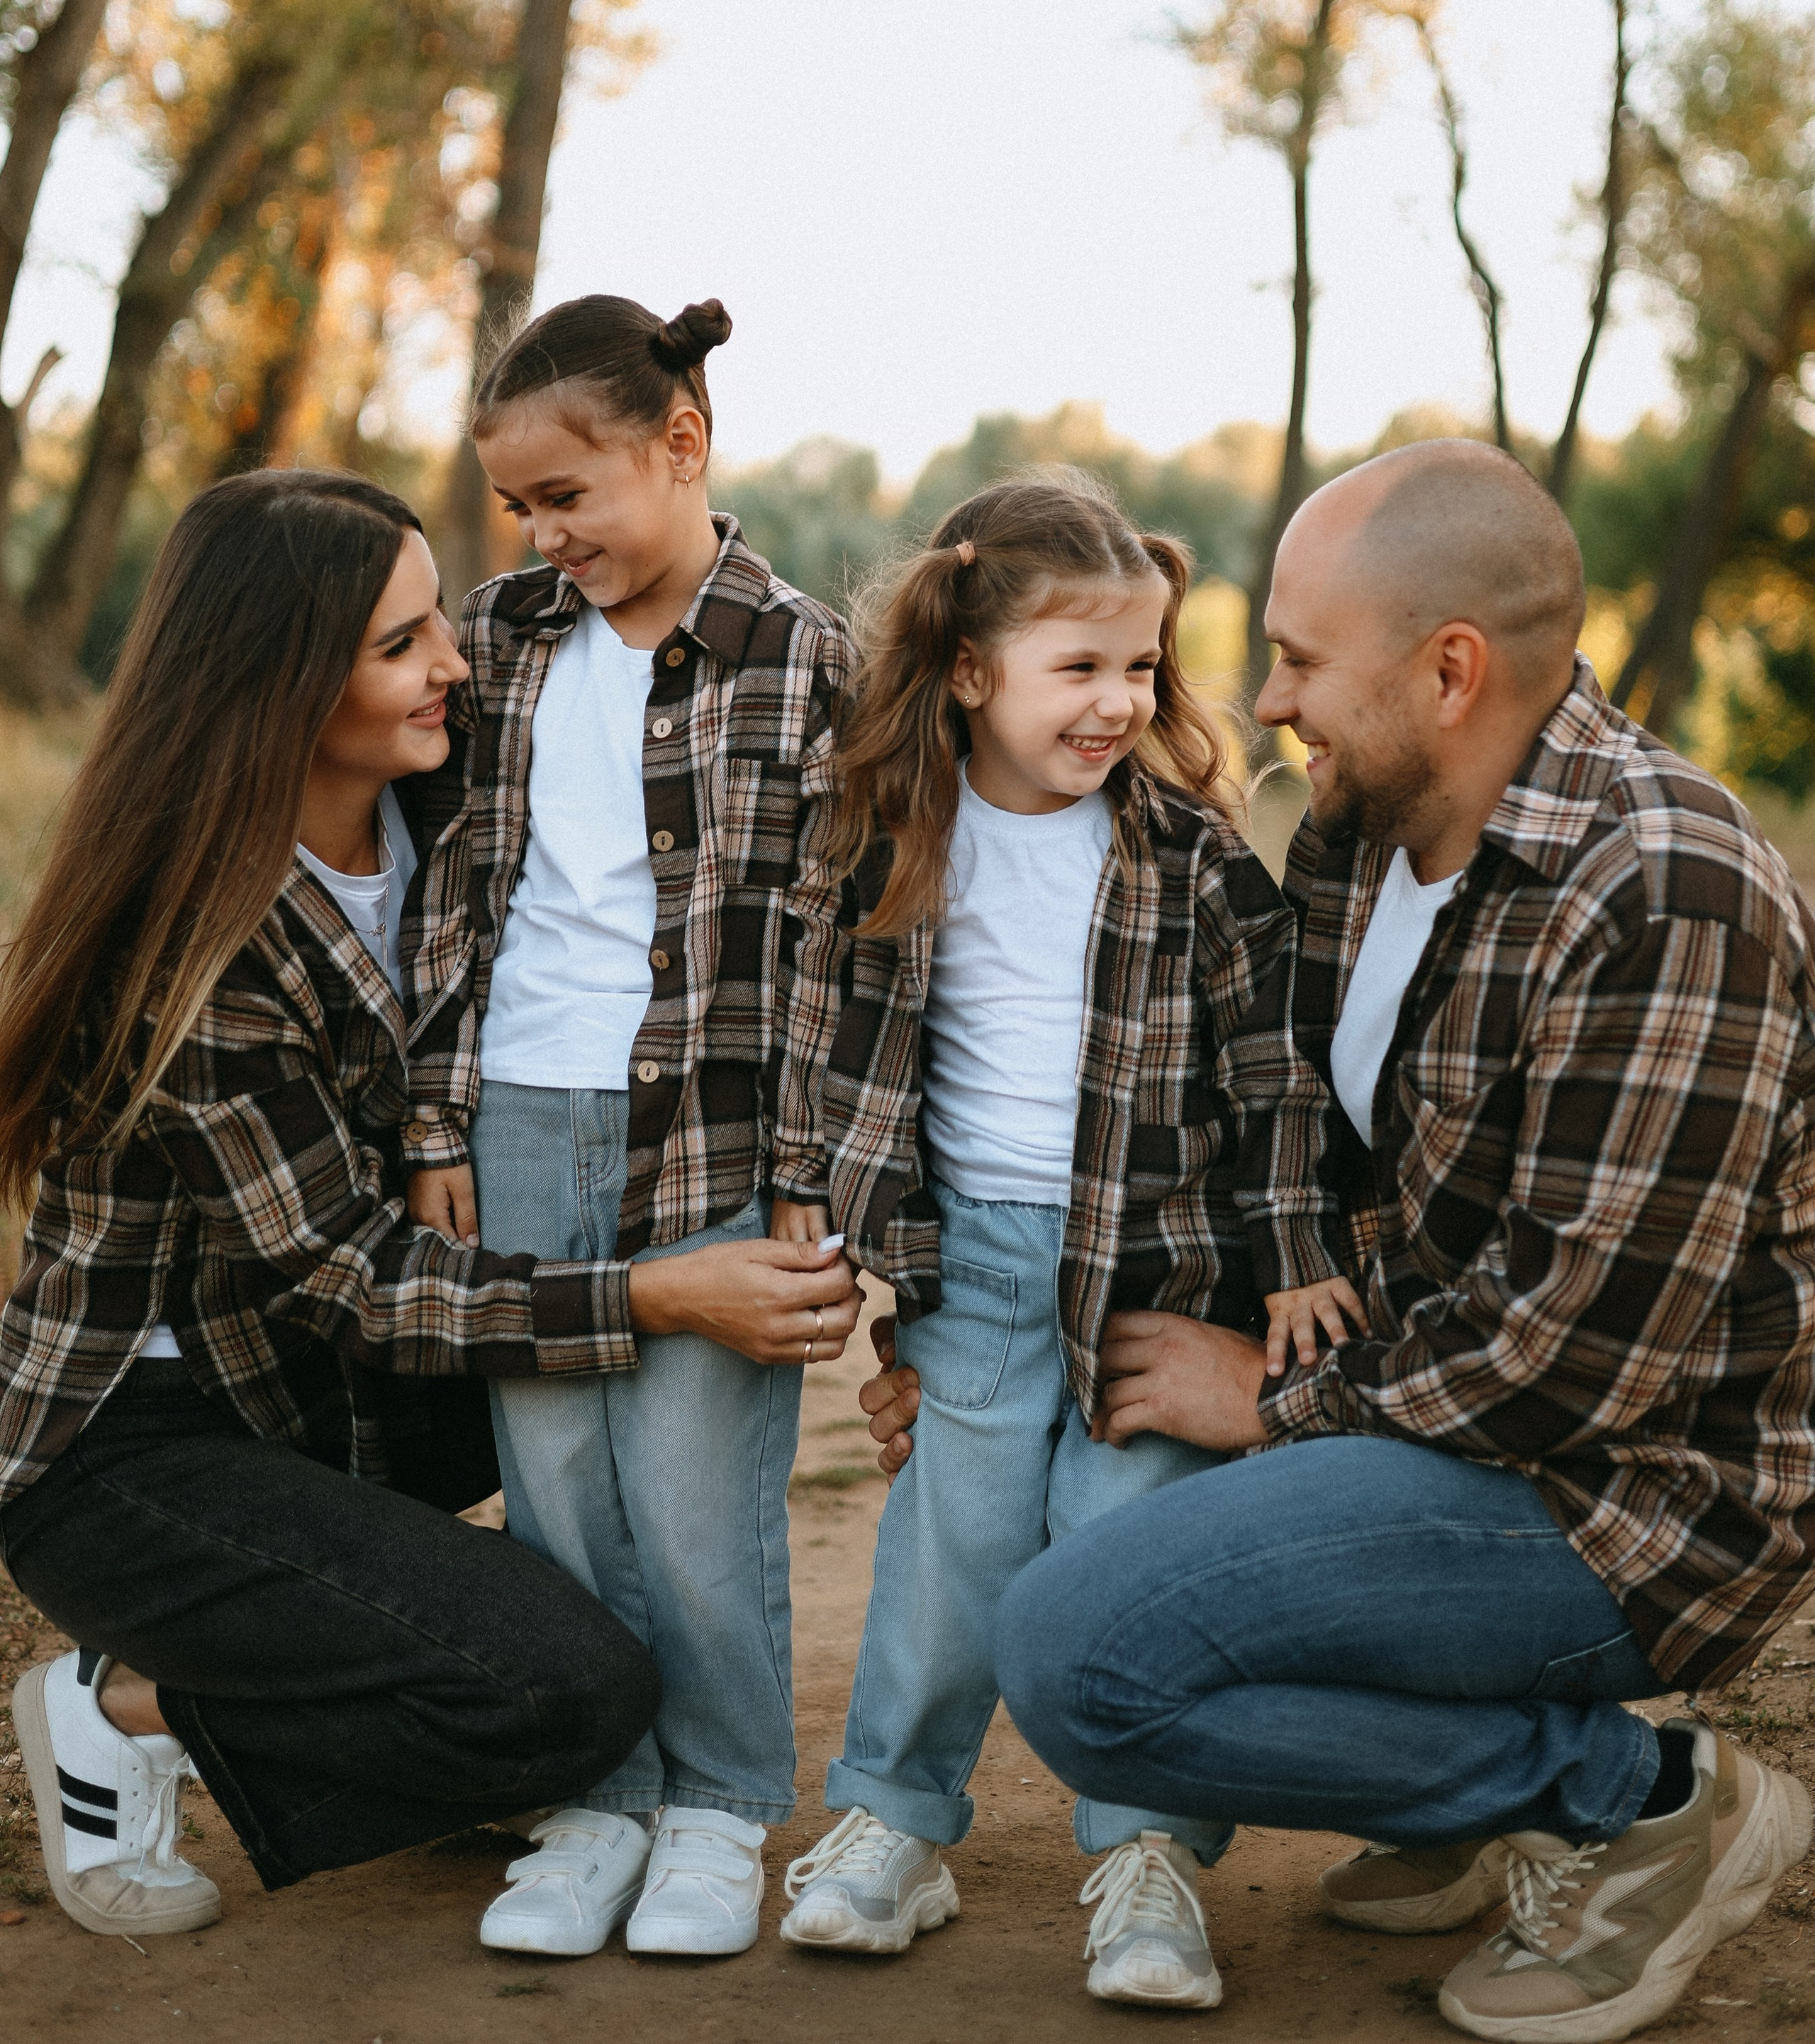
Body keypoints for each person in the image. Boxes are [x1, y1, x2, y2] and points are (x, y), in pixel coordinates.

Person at [960, 440, 1815, 2044]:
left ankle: (1632, 1797)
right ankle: (1463, 1798)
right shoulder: (1356, 840)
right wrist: (989, 1336)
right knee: (1108, 1544)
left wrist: (1263, 1407)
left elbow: (1567, 1365)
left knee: (1074, 1660)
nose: (1262, 701)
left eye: (1295, 658)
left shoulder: (1662, 894)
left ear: (1446, 670)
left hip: (1626, 1500)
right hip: (1443, 1420)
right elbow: (1268, 1163)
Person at [0, 469, 859, 1942]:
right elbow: (355, 1273)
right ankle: (125, 1701)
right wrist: (661, 1290)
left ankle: (480, 1700)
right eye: (403, 644)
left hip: (331, 1396)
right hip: (143, 1447)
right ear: (278, 679)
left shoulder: (455, 809)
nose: (456, 663)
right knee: (563, 1696)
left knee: (645, 1421)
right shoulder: (193, 944)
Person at [776, 475, 1334, 2009]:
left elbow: (1274, 1078)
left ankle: (1146, 1855)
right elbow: (826, 1040)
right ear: (969, 671)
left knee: (1122, 1543)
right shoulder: (893, 834)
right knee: (950, 1552)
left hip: (1158, 1273)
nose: (1116, 703)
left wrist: (1288, 1255)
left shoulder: (1186, 858)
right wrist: (818, 1206)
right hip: (974, 1268)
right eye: (1075, 668)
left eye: (1140, 668)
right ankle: (894, 1818)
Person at [403, 294, 854, 1962]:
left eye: (568, 494)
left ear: (681, 445)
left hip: (713, 1126)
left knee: (688, 1486)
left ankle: (722, 1806)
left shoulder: (804, 654)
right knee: (558, 1484)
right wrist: (434, 1117)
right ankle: (598, 1793)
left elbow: (838, 940)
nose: (545, 533)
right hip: (518, 1106)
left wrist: (808, 1177)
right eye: (520, 506)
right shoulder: (500, 633)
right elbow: (457, 892)